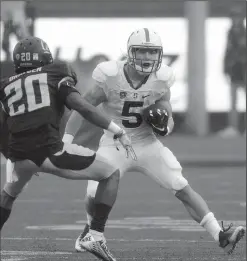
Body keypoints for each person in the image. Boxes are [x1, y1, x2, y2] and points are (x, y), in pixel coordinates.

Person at [63, 28, 245, 255]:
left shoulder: (162, 79)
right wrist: (67, 140)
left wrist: (164, 126)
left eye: (152, 53)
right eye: (141, 51)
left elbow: (167, 116)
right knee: (92, 192)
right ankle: (90, 232)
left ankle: (221, 235)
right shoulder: (110, 76)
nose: (147, 58)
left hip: (147, 143)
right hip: (115, 142)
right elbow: (82, 108)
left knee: (181, 186)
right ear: (129, 52)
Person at [0, 36, 136, 261]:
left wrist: (11, 157)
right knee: (111, 173)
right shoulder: (55, 73)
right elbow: (82, 107)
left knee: (8, 195)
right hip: (50, 152)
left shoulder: (6, 85)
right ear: (45, 58)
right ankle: (94, 236)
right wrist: (116, 130)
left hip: (19, 156)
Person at [219, 8, 246, 137]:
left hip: (244, 69)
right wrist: (225, 67)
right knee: (233, 100)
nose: (235, 20)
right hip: (234, 70)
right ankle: (233, 127)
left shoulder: (243, 33)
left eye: (238, 17)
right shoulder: (230, 33)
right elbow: (228, 51)